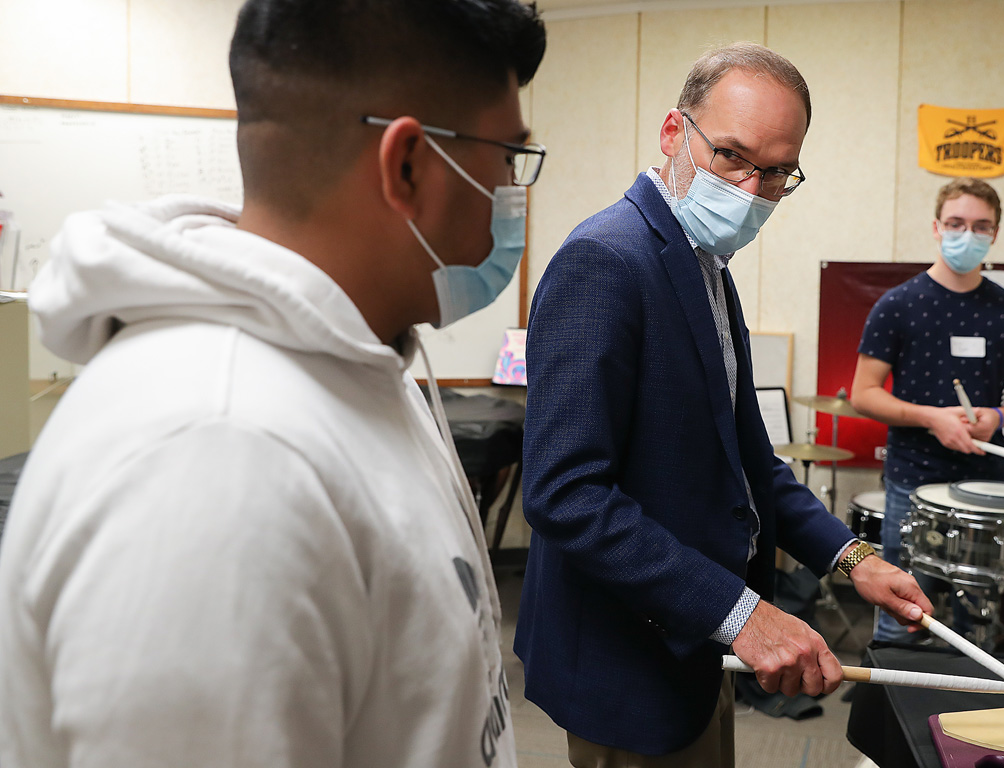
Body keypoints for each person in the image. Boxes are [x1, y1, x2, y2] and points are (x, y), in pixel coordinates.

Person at [0, 1, 545, 766]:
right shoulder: (217, 456)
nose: (513, 189)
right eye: (508, 156)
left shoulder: (357, 361)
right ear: (407, 165)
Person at [514, 43, 933, 767]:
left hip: (702, 646)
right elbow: (566, 494)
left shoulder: (706, 264)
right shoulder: (605, 259)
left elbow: (748, 463)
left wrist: (851, 557)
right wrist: (742, 615)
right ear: (673, 132)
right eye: (733, 156)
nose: (750, 188)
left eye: (776, 172)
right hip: (632, 658)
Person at [850, 177, 1004, 645]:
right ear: (936, 227)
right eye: (956, 223)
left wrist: (998, 417)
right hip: (913, 480)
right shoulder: (898, 305)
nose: (966, 234)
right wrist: (931, 417)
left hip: (987, 483)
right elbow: (863, 393)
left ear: (995, 233)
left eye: (980, 226)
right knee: (902, 616)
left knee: (978, 623)